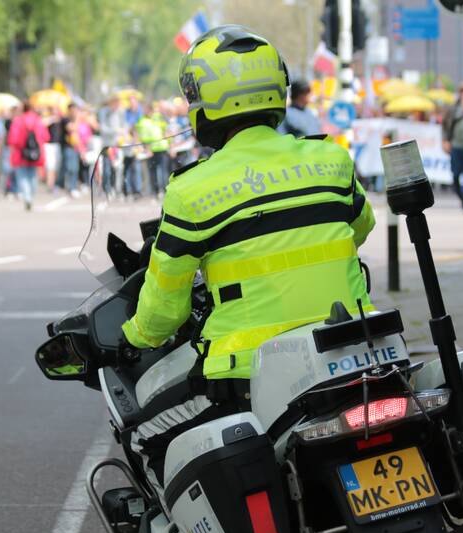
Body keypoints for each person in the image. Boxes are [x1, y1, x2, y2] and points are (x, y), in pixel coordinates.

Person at [120, 26, 374, 469]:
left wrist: (133, 338)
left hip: (248, 375)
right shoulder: (329, 159)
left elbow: (165, 309)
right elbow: (359, 228)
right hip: (355, 348)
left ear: (206, 103)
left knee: (145, 436)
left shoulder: (193, 190)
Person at [6, 101, 49, 211]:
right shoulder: (38, 120)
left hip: (21, 153)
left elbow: (13, 139)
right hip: (35, 152)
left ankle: (27, 197)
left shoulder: (18, 121)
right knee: (33, 175)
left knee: (22, 176)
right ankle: (31, 195)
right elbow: (46, 136)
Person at [441, 82, 463, 212]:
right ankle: (462, 198)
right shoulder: (453, 109)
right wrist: (445, 140)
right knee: (455, 175)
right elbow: (445, 126)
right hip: (455, 146)